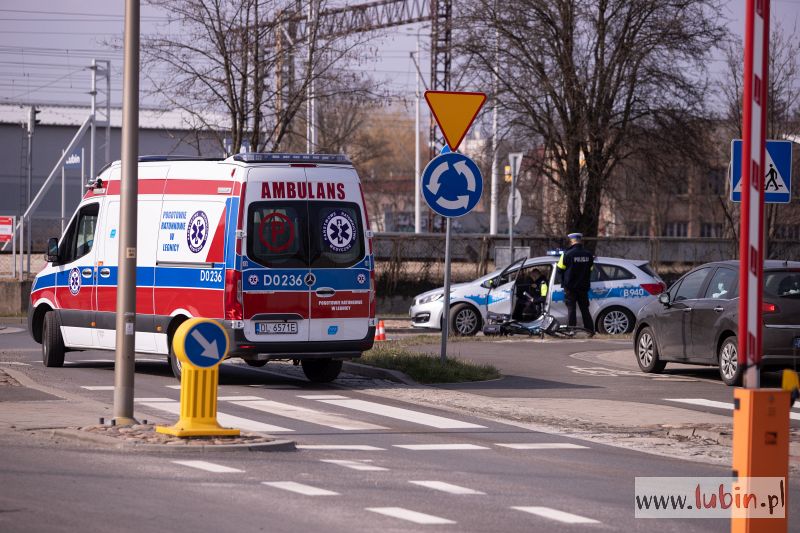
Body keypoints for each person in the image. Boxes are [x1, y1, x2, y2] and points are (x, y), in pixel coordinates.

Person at [556, 232, 595, 334]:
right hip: (583, 287)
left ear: (572, 241)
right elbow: (591, 269)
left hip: (570, 287)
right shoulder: (588, 254)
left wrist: (563, 282)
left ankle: (571, 330)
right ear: (580, 240)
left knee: (571, 309)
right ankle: (590, 330)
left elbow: (559, 269)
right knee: (585, 309)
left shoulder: (566, 254)